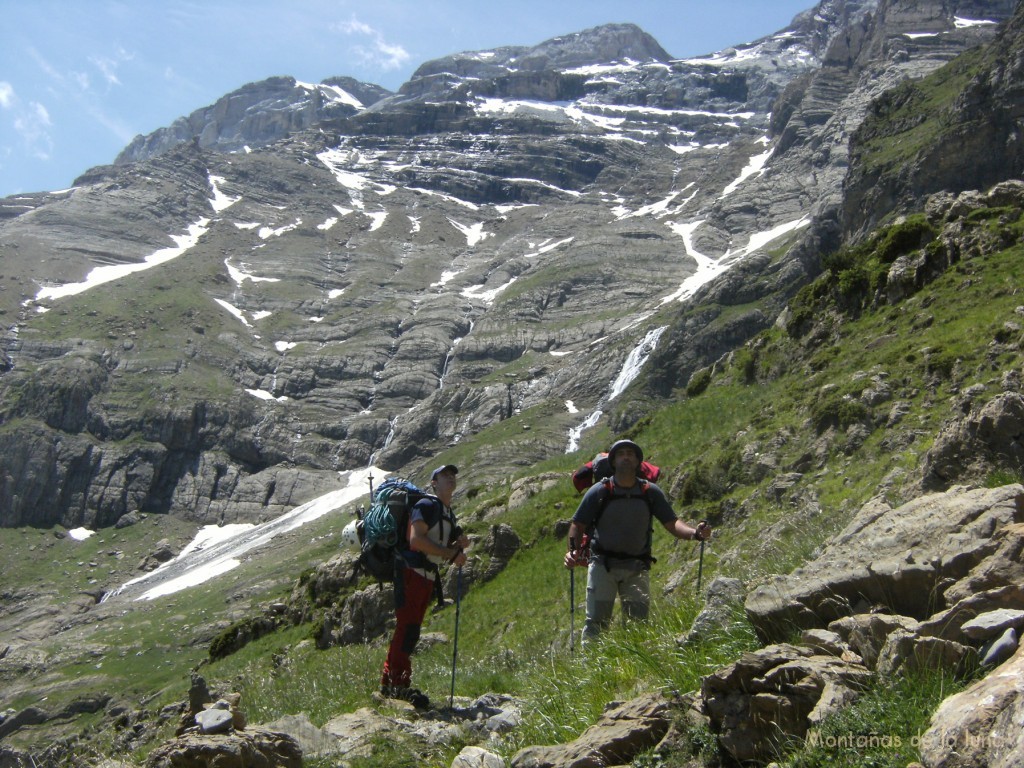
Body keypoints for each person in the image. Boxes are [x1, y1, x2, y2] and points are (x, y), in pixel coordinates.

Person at [564, 439, 711, 644]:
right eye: (621, 454)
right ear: (613, 461)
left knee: (638, 626)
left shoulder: (650, 492)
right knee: (596, 623)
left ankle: (635, 670)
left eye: (630, 454)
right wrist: (573, 551)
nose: (626, 457)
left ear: (638, 462)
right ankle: (592, 671)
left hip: (637, 567)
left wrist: (695, 533)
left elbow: (672, 523)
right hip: (601, 566)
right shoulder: (599, 490)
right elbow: (577, 525)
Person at [380, 464, 469, 709]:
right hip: (411, 571)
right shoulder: (426, 506)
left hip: (425, 575)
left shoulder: (447, 512)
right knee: (408, 628)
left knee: (410, 628)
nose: (450, 478)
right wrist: (452, 554)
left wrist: (458, 543)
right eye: (444, 476)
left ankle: (394, 682)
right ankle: (396, 683)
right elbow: (416, 540)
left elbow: (435, 540)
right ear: (433, 483)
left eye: (452, 475)